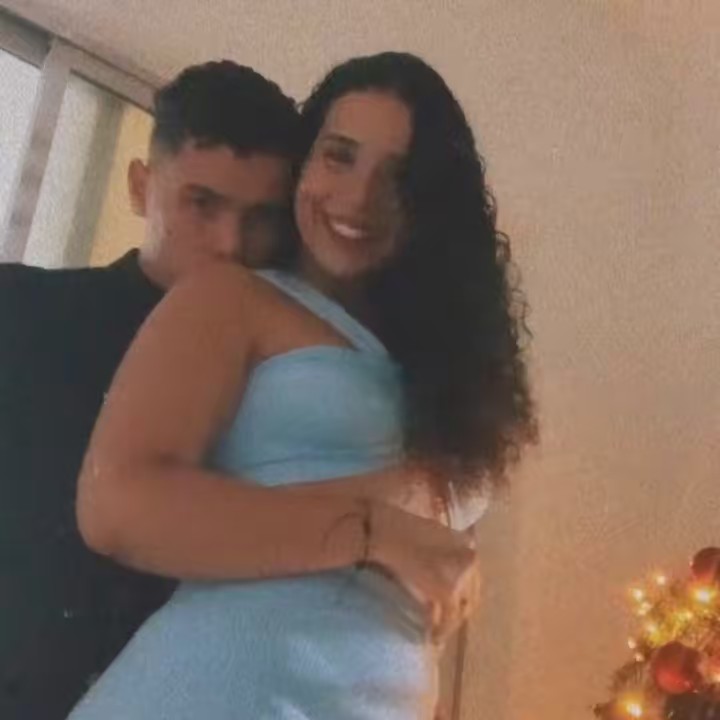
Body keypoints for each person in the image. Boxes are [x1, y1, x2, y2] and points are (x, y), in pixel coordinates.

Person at [68, 52, 537, 719]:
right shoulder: (233, 297)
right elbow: (117, 504)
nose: (358, 197)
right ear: (303, 164)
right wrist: (373, 531)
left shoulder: (448, 378)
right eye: (339, 156)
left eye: (398, 176)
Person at [0, 60, 298, 719]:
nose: (230, 244)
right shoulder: (18, 310)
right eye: (202, 203)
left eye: (260, 218)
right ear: (141, 187)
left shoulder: (284, 393)